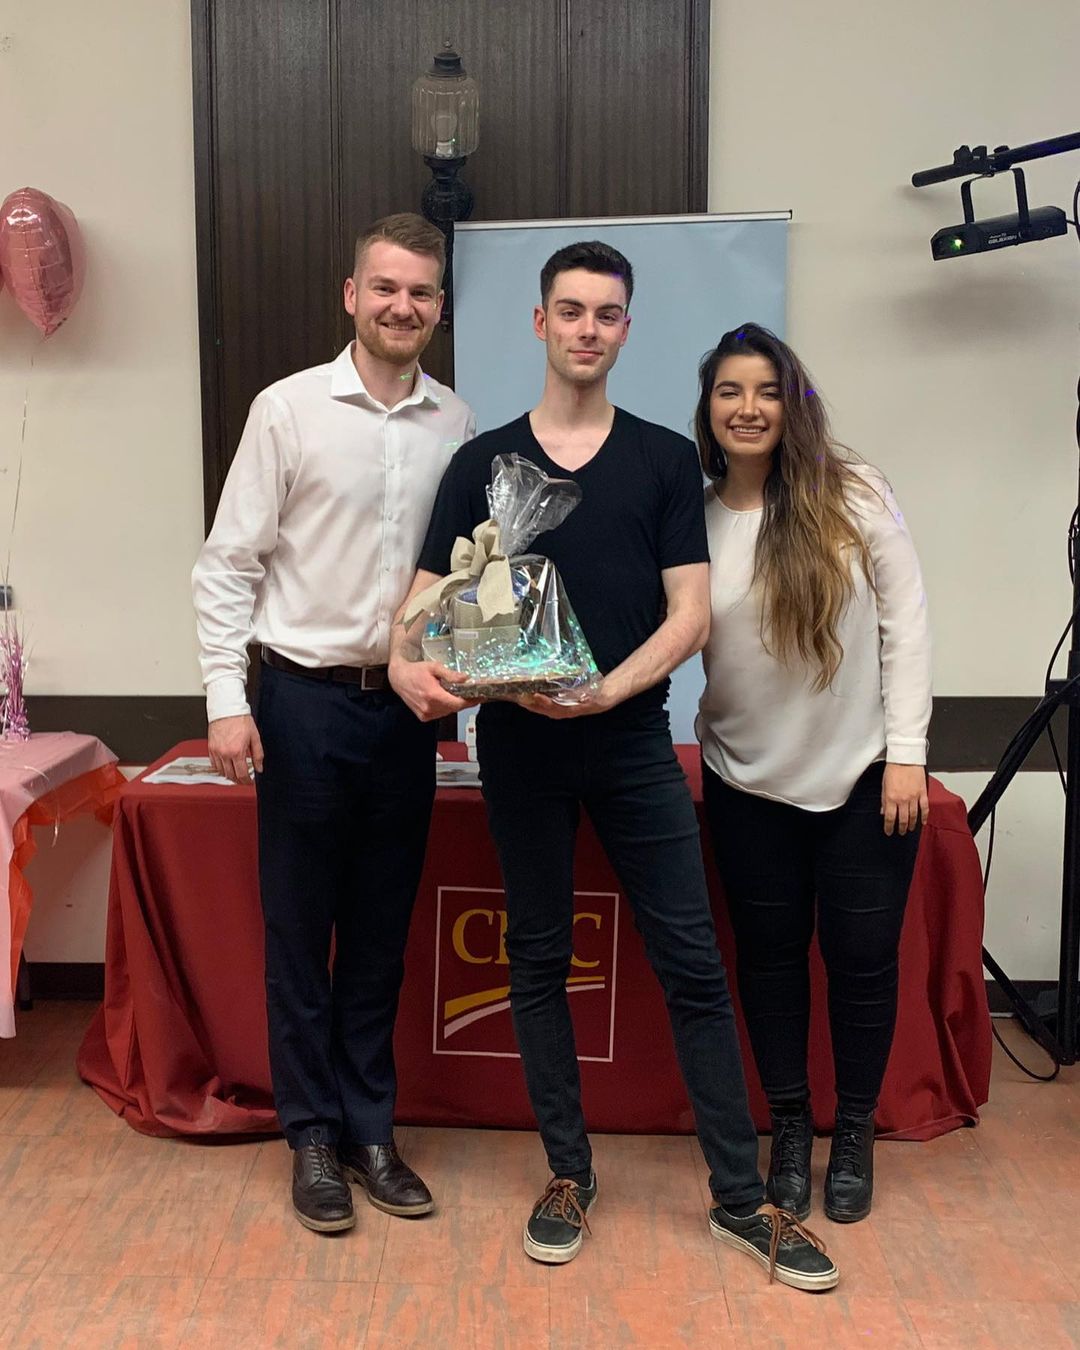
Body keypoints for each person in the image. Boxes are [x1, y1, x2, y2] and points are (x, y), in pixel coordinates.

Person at [390, 243, 838, 1291]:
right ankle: (567, 1174)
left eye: (606, 314)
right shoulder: (483, 466)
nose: (587, 329)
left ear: (626, 330)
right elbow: (415, 612)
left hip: (634, 744)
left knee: (692, 964)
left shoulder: (662, 461)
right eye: (571, 310)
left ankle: (741, 1201)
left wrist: (606, 690)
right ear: (539, 323)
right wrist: (430, 660)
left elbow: (690, 614)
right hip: (518, 749)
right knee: (536, 959)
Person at [192, 213, 476, 1234]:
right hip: (302, 703)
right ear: (351, 295)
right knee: (299, 929)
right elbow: (228, 565)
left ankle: (370, 1131)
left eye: (421, 292)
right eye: (385, 288)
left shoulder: (458, 423)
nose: (403, 306)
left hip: (404, 712)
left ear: (439, 308)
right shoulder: (288, 410)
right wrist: (228, 701)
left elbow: (464, 578)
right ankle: (310, 1134)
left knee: (380, 935)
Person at [694, 323, 932, 1224]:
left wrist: (907, 755)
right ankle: (790, 1126)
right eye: (729, 391)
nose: (748, 408)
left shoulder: (855, 492)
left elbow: (906, 623)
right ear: (708, 409)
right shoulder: (695, 518)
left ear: (793, 404)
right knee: (769, 960)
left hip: (865, 779)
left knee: (862, 962)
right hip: (744, 780)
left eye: (766, 390)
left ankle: (854, 1130)